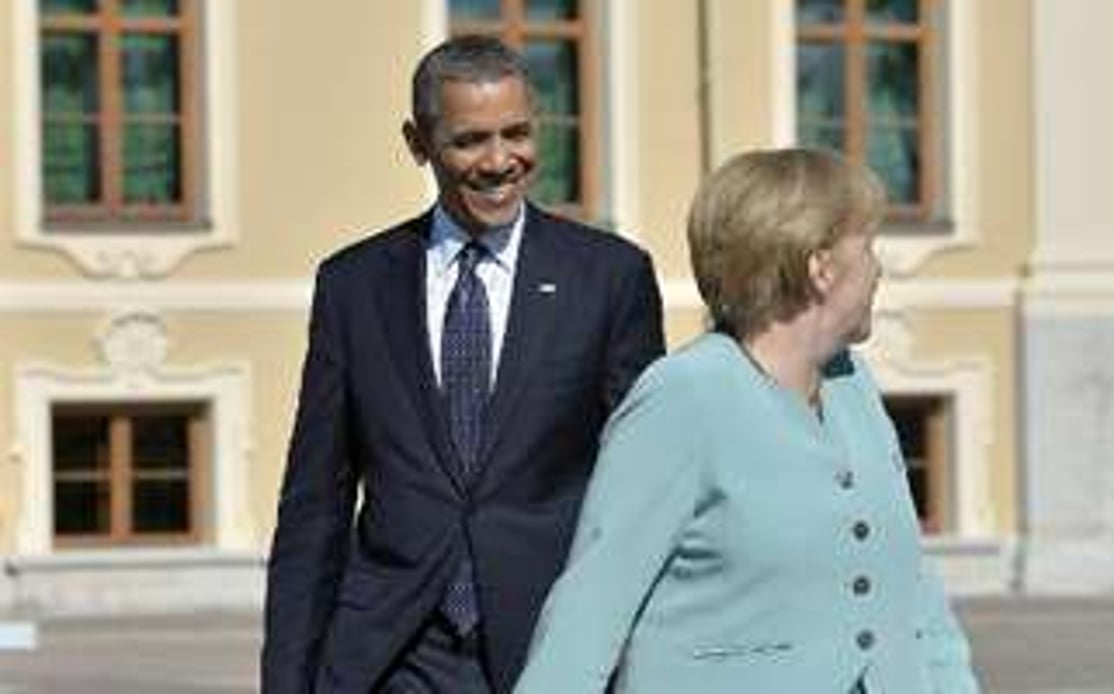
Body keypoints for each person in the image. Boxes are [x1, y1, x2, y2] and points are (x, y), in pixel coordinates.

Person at [261, 35, 666, 694]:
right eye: (470, 140)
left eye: (517, 133)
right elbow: (315, 504)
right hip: (391, 655)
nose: (500, 161)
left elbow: (646, 493)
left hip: (553, 652)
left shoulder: (608, 278)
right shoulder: (353, 286)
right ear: (417, 143)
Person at [513, 148, 981, 693]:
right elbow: (591, 609)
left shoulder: (853, 385)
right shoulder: (681, 398)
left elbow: (912, 590)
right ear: (820, 267)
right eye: (868, 247)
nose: (878, 269)